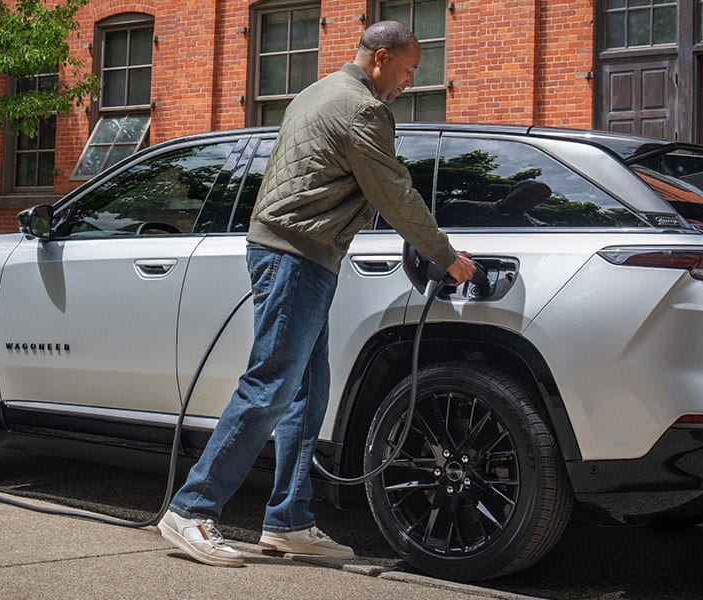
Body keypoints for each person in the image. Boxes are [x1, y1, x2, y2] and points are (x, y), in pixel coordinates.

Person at [156, 20, 477, 568]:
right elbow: (394, 193)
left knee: (306, 395)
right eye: (407, 70)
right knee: (271, 389)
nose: (407, 81)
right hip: (296, 257)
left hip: (290, 253)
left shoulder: (315, 92)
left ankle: (289, 521)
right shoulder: (363, 110)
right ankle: (190, 510)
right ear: (380, 58)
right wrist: (447, 257)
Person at [436, 179, 554, 228]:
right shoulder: (460, 208)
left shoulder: (537, 228)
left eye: (539, 199)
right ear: (512, 189)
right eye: (529, 192)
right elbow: (426, 231)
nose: (531, 199)